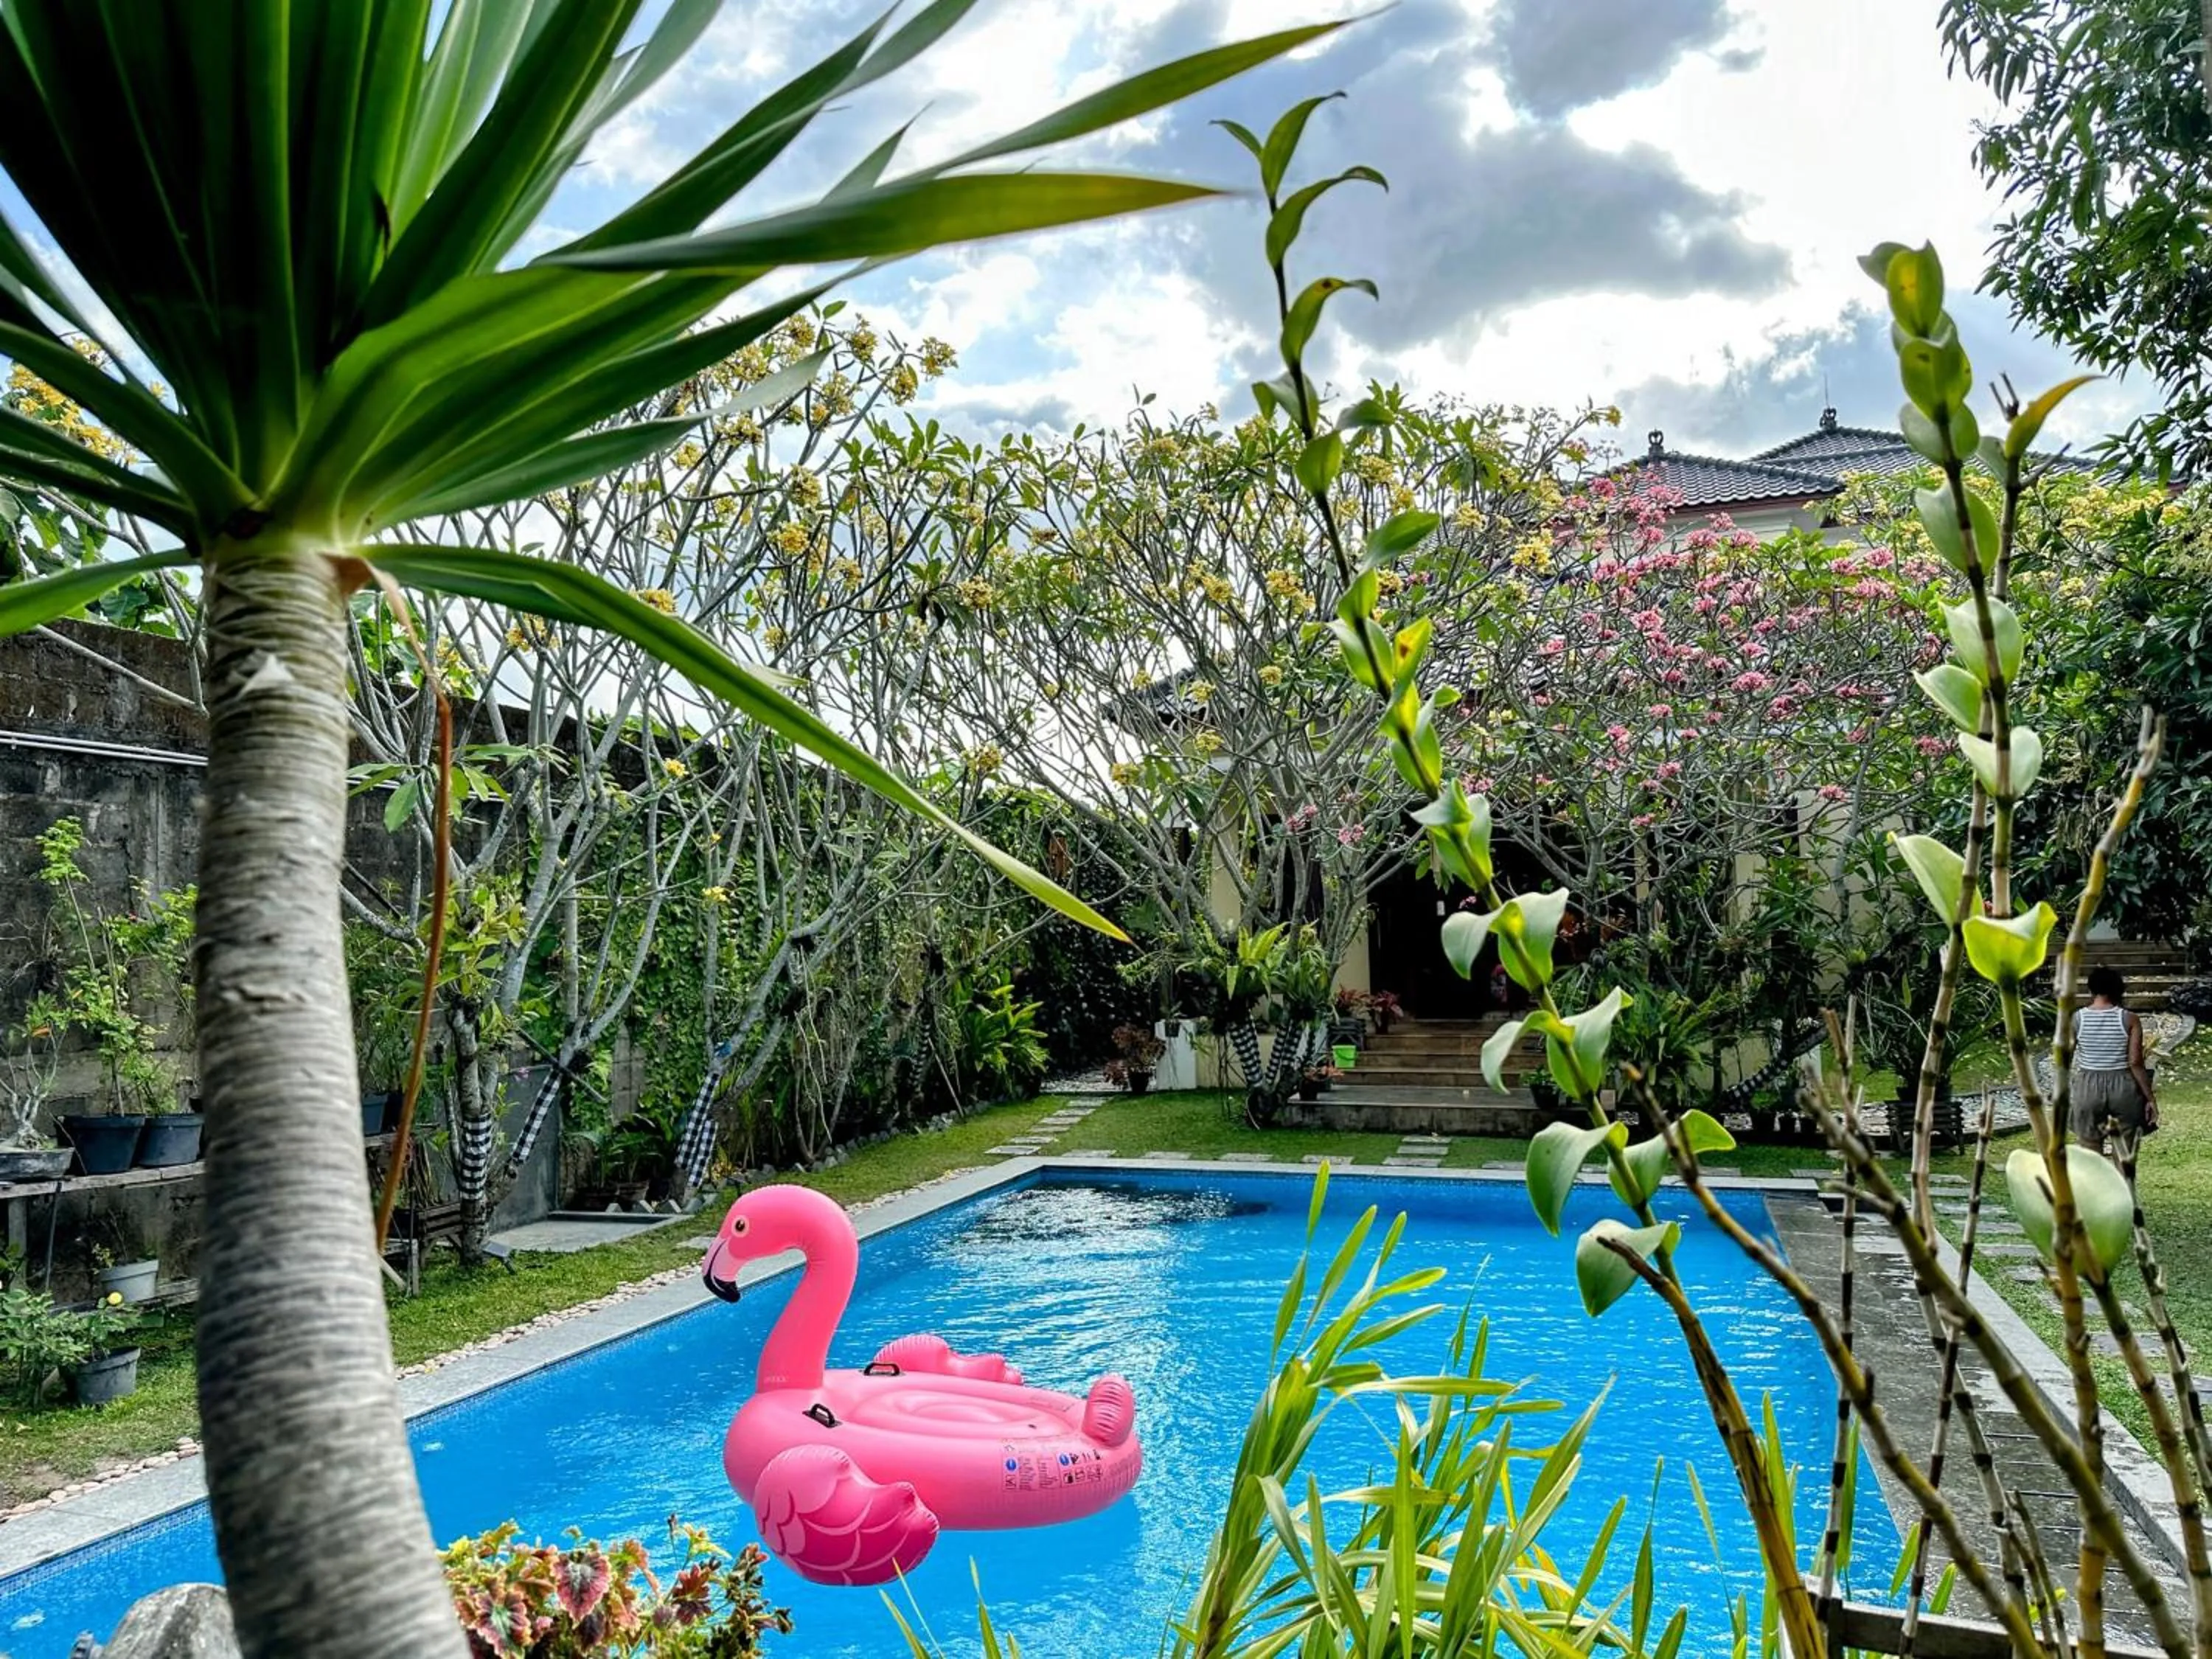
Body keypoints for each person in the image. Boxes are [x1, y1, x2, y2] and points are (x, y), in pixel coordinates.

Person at [2070, 966, 2159, 1169]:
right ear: (2118, 990)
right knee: (2125, 1153)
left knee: (2090, 1155)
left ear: (2091, 989)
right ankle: (2126, 1198)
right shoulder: (2129, 1019)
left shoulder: (2077, 1019)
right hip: (2124, 1087)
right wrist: (2150, 1099)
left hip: (2088, 1086)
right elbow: (2135, 1062)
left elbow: (2065, 1058)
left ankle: (2095, 1199)